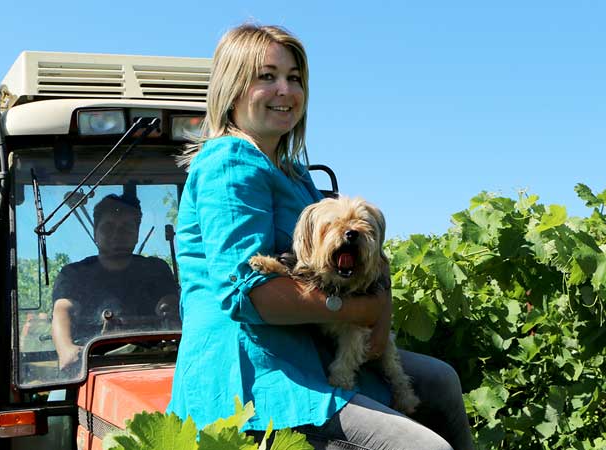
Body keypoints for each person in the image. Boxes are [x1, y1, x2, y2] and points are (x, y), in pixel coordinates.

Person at [167, 24, 474, 450]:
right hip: (255, 371)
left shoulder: (293, 172)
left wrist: (377, 310)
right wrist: (356, 309)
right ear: (233, 87)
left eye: (295, 78)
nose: (285, 90)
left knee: (440, 380)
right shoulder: (229, 163)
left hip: (306, 350)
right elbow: (249, 295)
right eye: (267, 76)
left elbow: (348, 260)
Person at [51, 193, 179, 370]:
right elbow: (63, 310)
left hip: (153, 360)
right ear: (96, 232)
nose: (118, 234)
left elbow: (169, 306)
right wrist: (66, 350)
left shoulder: (155, 270)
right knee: (59, 396)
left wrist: (171, 315)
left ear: (136, 234)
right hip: (89, 364)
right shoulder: (74, 274)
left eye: (126, 227)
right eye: (108, 227)